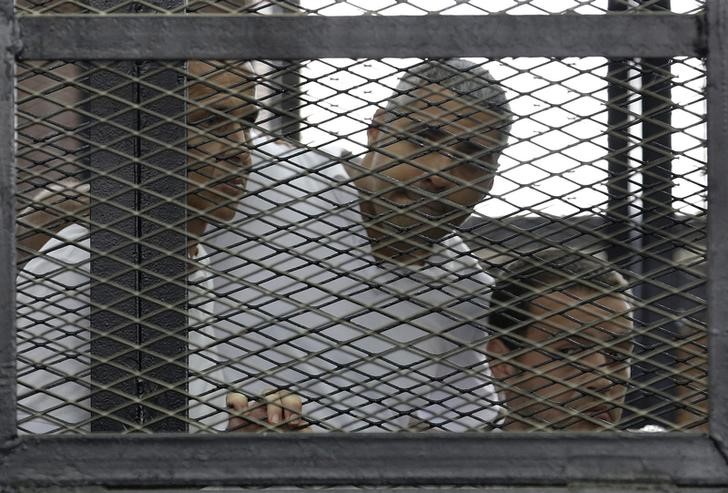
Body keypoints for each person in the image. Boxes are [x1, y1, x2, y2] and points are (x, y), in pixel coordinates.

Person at [201, 58, 514, 431]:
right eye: (422, 139)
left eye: (473, 159)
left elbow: (462, 430)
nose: (439, 173)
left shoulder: (466, 291)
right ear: (377, 130)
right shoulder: (255, 181)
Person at [16, 60, 305, 433]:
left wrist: (231, 433)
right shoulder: (86, 261)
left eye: (246, 124)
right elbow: (37, 458)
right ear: (143, 134)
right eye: (209, 121)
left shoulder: (191, 259)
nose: (240, 149)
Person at [485, 249, 635, 431]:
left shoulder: (663, 455)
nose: (602, 382)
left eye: (617, 355)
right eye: (569, 352)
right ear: (502, 361)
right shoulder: (457, 458)